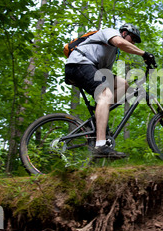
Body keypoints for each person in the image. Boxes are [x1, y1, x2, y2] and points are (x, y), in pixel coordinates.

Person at [65, 24, 156, 158]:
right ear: (124, 33)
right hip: (79, 63)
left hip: (90, 68)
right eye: (133, 38)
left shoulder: (112, 53)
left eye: (136, 41)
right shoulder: (110, 32)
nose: (133, 42)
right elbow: (120, 42)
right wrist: (144, 53)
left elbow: (105, 73)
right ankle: (100, 145)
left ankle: (98, 117)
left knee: (123, 84)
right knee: (105, 94)